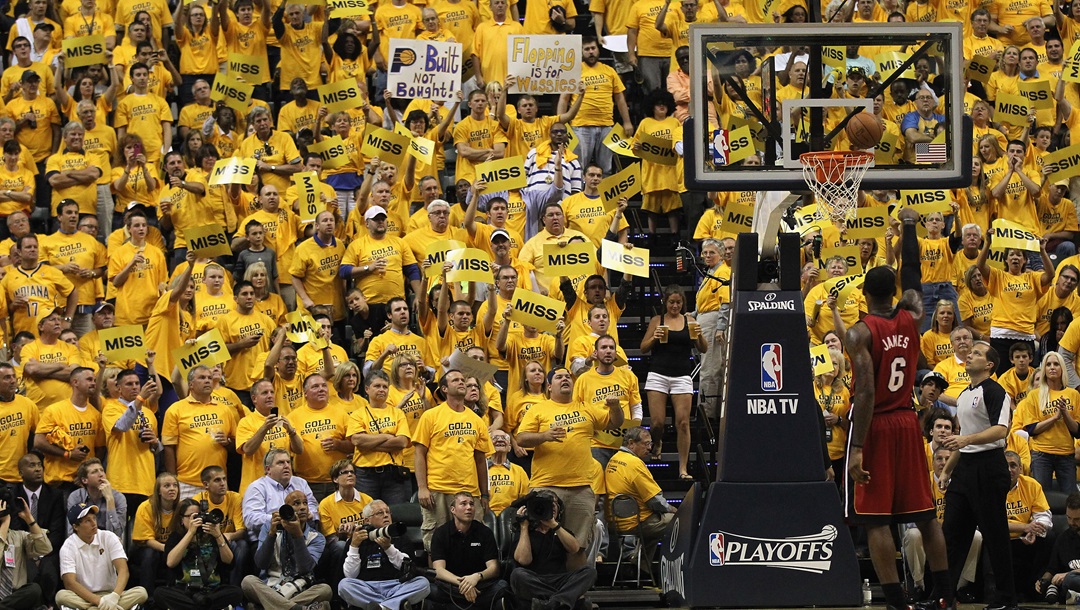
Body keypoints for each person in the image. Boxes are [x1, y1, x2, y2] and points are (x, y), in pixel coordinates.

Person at [845, 207, 953, 610]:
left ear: (864, 294)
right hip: (909, 422)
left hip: (879, 424)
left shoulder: (859, 332)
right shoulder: (912, 314)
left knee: (876, 520)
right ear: (894, 292)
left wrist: (856, 447)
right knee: (925, 515)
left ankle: (896, 601)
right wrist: (909, 226)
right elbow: (914, 274)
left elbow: (866, 394)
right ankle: (945, 596)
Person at [518, 367, 624, 568]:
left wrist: (615, 406)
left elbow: (614, 422)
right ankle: (542, 592)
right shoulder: (538, 409)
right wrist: (544, 436)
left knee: (578, 546)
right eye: (559, 377)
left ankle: (576, 596)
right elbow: (521, 438)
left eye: (568, 376)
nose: (565, 379)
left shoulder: (585, 408)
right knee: (541, 540)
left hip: (581, 489)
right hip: (545, 486)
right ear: (549, 386)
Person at [937, 341, 1017, 607]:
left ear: (990, 365)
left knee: (995, 535)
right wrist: (947, 470)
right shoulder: (962, 396)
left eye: (977, 354)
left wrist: (965, 439)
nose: (969, 355)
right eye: (970, 353)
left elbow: (1000, 430)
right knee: (951, 534)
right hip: (965, 470)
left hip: (989, 467)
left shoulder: (996, 392)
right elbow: (963, 442)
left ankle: (1006, 599)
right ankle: (942, 598)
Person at [411, 370, 494, 551]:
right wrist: (422, 488)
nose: (462, 382)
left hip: (469, 490)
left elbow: (481, 461)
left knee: (472, 543)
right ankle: (437, 579)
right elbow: (419, 454)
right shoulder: (431, 416)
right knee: (436, 543)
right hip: (438, 490)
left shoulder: (476, 420)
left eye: (463, 379)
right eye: (455, 380)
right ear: (444, 389)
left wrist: (484, 494)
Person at [641, 286, 707, 477]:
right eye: (671, 302)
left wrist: (700, 334)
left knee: (683, 423)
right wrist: (654, 337)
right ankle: (658, 441)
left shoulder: (690, 320)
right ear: (665, 302)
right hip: (658, 374)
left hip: (682, 375)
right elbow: (643, 347)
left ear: (683, 303)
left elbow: (703, 348)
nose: (675, 306)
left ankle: (683, 468)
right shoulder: (657, 320)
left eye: (678, 302)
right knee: (657, 423)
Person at [241, 490, 332, 610]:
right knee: (248, 581)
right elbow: (261, 563)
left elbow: (305, 569)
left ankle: (265, 607)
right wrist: (271, 534)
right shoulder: (269, 527)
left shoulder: (317, 537)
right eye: (296, 504)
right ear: (285, 510)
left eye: (305, 503)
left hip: (300, 588)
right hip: (269, 587)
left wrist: (298, 536)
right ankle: (298, 608)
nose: (303, 507)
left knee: (325, 590)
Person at [604, 427, 677, 576]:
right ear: (631, 443)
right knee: (679, 522)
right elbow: (655, 501)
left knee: (654, 529)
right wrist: (676, 510)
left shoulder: (614, 459)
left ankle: (640, 567)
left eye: (651, 444)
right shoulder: (635, 464)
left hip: (614, 521)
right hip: (635, 522)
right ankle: (675, 573)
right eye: (647, 444)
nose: (650, 448)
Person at [509, 489, 597, 610]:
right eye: (546, 503)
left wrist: (554, 525)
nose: (552, 506)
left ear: (559, 509)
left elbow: (574, 549)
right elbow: (524, 560)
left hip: (559, 579)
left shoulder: (562, 531)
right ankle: (562, 600)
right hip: (534, 579)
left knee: (589, 572)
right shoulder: (525, 531)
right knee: (517, 575)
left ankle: (550, 604)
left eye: (554, 503)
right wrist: (524, 526)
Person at [336, 500, 429, 610]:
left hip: (396, 586)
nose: (385, 515)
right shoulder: (357, 539)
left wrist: (389, 548)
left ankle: (382, 607)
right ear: (367, 520)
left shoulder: (401, 537)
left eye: (388, 512)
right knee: (344, 585)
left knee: (423, 583)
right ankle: (392, 605)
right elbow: (350, 575)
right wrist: (354, 546)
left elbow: (408, 569)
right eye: (380, 513)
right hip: (367, 587)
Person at [154, 498, 244, 610]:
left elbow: (229, 561)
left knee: (236, 592)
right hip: (184, 590)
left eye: (199, 515)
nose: (198, 520)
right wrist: (191, 533)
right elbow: (170, 563)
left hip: (211, 591)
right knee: (160, 593)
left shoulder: (213, 535)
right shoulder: (176, 537)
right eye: (193, 516)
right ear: (182, 519)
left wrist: (218, 536)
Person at [57, 503, 148, 610]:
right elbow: (70, 583)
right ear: (75, 527)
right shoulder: (68, 547)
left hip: (111, 594)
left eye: (94, 518)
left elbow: (123, 570)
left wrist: (114, 597)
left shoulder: (108, 537)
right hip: (83, 596)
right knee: (61, 596)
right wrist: (100, 602)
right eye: (87, 521)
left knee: (141, 592)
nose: (94, 523)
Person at [1013, 351, 1080, 493]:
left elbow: (1077, 431)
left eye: (1056, 364)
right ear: (1044, 370)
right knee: (1041, 499)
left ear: (1062, 368)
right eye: (1048, 364)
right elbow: (1031, 429)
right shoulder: (1034, 395)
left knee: (1072, 499)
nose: (1052, 367)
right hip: (1041, 455)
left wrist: (1065, 414)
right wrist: (1054, 418)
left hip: (1066, 454)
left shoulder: (1073, 394)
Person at [429, 492, 507, 610]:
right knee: (428, 588)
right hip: (452, 585)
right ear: (453, 509)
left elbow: (494, 568)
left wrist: (476, 577)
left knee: (502, 586)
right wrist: (464, 584)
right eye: (463, 504)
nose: (469, 507)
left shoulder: (485, 532)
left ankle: (456, 606)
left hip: (479, 585)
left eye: (471, 504)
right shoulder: (441, 533)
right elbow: (438, 570)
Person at [347, 370, 412, 505]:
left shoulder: (397, 413)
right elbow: (357, 441)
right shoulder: (358, 414)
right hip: (365, 475)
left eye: (385, 386)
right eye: (377, 386)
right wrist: (387, 436)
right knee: (368, 517)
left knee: (396, 516)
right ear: (367, 389)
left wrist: (369, 443)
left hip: (393, 475)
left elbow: (401, 442)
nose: (382, 390)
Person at [241, 449, 319, 542]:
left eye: (288, 462)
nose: (286, 466)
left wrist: (310, 514)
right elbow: (251, 519)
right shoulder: (257, 487)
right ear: (268, 469)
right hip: (267, 539)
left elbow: (313, 506)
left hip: (299, 536)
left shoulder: (300, 483)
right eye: (281, 463)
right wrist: (283, 518)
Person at [190, 466, 250, 587]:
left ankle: (234, 588)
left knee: (242, 545)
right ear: (206, 484)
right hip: (205, 542)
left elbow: (241, 531)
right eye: (217, 480)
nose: (223, 484)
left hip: (227, 541)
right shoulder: (198, 500)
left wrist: (226, 536)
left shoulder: (234, 497)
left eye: (224, 479)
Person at [0, 495, 50, 610]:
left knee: (34, 589)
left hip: (17, 596)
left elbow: (45, 548)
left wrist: (30, 520)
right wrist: (4, 524)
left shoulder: (18, 536)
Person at [1036, 491, 1080, 603]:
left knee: (1071, 580)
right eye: (1069, 518)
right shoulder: (1063, 538)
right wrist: (1043, 580)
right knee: (1045, 587)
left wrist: (1068, 574)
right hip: (1069, 585)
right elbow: (1052, 568)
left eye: (1077, 519)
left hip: (1072, 580)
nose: (1071, 522)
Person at [65, 459, 126, 538]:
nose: (101, 474)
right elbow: (72, 532)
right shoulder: (76, 497)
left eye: (102, 470)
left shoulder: (118, 497)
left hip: (109, 544)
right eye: (94, 472)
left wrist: (110, 499)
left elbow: (116, 534)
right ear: (84, 480)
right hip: (84, 543)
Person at [487, 430, 530, 517]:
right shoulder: (481, 470)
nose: (500, 440)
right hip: (486, 517)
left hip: (511, 516)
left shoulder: (519, 471)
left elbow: (525, 499)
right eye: (495, 438)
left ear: (510, 447)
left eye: (504, 438)